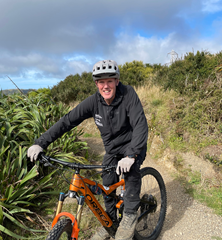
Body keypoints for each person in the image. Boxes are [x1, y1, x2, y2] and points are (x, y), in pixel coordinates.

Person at [27, 60, 148, 240]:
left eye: (109, 80)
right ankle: (111, 222)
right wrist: (41, 143)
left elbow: (140, 124)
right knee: (106, 184)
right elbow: (67, 121)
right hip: (112, 151)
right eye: (101, 81)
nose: (105, 85)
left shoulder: (128, 93)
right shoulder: (93, 102)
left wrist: (131, 155)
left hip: (132, 146)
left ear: (117, 81)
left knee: (130, 175)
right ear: (96, 84)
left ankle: (130, 215)